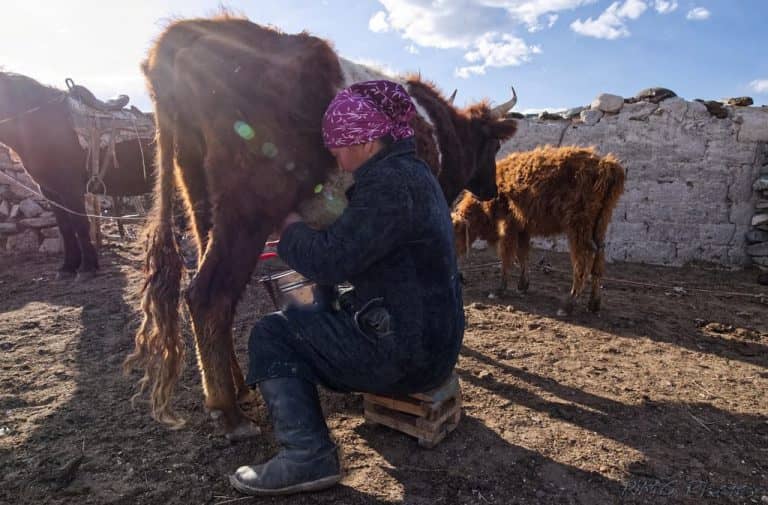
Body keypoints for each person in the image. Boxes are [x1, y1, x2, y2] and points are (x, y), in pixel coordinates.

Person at [229, 80, 465, 496]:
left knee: (272, 334)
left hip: (409, 357)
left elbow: (329, 259)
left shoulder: (388, 186)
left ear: (367, 140)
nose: (335, 155)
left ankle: (307, 455)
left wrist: (288, 229)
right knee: (322, 304)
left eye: (339, 143)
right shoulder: (416, 174)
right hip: (438, 344)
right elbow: (367, 251)